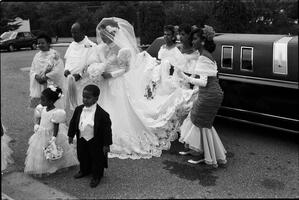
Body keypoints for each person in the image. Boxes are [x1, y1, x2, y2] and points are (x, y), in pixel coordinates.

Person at [87, 17, 163, 159]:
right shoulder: (101, 48)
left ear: (112, 34)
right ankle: (101, 134)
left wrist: (111, 74)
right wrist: (97, 71)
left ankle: (116, 137)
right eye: (101, 36)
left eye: (104, 36)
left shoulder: (123, 49)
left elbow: (126, 69)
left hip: (117, 82)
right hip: (104, 84)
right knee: (103, 108)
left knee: (118, 109)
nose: (102, 39)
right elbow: (95, 63)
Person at [177, 25, 227, 168]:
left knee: (200, 123)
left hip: (210, 95)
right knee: (193, 119)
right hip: (209, 93)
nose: (192, 42)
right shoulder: (203, 55)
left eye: (196, 39)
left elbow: (203, 82)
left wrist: (184, 77)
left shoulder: (204, 57)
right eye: (192, 39)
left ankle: (203, 155)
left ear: (203, 41)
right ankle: (194, 150)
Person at [24, 86, 78, 176]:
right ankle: (45, 166)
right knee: (41, 151)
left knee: (52, 150)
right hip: (41, 133)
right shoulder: (42, 108)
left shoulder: (56, 113)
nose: (41, 101)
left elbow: (56, 126)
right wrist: (37, 125)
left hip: (50, 134)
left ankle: (55, 165)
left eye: (43, 100)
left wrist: (54, 137)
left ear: (50, 101)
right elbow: (40, 119)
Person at [68, 85, 112, 188]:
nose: (85, 100)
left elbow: (107, 131)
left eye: (88, 98)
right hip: (81, 138)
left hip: (95, 140)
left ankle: (96, 176)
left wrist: (106, 144)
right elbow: (73, 122)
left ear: (96, 99)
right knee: (82, 155)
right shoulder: (79, 109)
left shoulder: (103, 114)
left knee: (97, 158)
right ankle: (84, 170)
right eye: (83, 97)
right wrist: (70, 135)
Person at [64, 22, 97, 110]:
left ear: (83, 31)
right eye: (72, 32)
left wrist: (80, 75)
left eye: (76, 32)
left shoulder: (91, 46)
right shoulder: (72, 45)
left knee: (86, 106)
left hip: (85, 82)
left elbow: (92, 64)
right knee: (76, 107)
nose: (73, 35)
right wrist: (66, 70)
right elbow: (68, 60)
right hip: (73, 83)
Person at [29, 32, 65, 109]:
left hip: (51, 86)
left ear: (48, 43)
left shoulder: (55, 55)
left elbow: (58, 71)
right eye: (38, 43)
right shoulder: (37, 56)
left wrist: (45, 77)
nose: (40, 45)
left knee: (53, 110)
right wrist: (36, 76)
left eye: (42, 43)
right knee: (40, 111)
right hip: (39, 86)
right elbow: (32, 70)